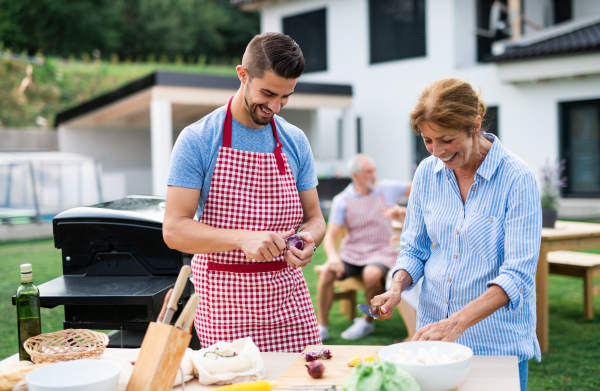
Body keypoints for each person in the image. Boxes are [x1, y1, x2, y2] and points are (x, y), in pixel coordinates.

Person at [372, 78, 541, 391]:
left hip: (495, 344)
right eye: (428, 141)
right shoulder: (426, 173)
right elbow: (414, 248)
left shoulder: (518, 178)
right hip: (434, 346)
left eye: (447, 140)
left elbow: (517, 276)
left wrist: (457, 323)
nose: (437, 152)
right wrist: (397, 287)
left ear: (475, 126)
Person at [163, 32, 325, 353]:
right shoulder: (198, 140)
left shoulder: (295, 140)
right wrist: (242, 238)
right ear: (243, 74)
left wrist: (310, 240)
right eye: (267, 93)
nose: (275, 107)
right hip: (225, 304)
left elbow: (315, 218)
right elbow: (174, 229)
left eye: (286, 97)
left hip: (289, 301)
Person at [317, 154, 415, 340]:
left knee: (371, 274)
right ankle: (321, 327)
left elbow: (418, 188)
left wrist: (405, 211)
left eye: (374, 170)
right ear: (355, 176)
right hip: (352, 252)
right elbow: (331, 236)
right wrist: (333, 257)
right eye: (368, 172)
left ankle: (367, 322)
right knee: (327, 272)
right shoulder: (342, 200)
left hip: (381, 251)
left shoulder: (386, 188)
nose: (373, 175)